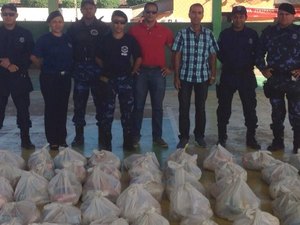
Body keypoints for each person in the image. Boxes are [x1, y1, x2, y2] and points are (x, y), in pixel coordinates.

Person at [173, 3, 218, 149]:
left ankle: (199, 136)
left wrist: (213, 74)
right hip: (185, 77)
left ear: (202, 15)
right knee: (183, 108)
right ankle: (184, 137)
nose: (196, 15)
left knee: (201, 108)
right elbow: (177, 54)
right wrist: (176, 76)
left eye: (199, 13)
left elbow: (213, 55)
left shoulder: (209, 34)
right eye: (193, 12)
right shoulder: (182, 33)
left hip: (202, 77)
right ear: (189, 14)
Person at [129, 2, 174, 148]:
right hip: (140, 73)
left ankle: (157, 137)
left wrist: (171, 68)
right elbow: (125, 49)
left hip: (158, 73)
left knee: (157, 107)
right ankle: (135, 137)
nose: (150, 14)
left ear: (157, 14)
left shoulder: (164, 31)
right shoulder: (134, 31)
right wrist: (131, 68)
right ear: (144, 12)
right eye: (148, 12)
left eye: (153, 12)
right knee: (138, 106)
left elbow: (175, 49)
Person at [256, 3, 300, 153]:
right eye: (281, 14)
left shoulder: (298, 32)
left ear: (293, 16)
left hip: (294, 80)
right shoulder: (269, 32)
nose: (283, 17)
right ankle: (277, 141)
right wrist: (263, 68)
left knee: (297, 114)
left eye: (287, 14)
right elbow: (258, 51)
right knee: (277, 113)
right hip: (275, 79)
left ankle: (297, 144)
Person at [95, 10, 141, 151]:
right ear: (111, 23)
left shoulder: (130, 40)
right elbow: (97, 57)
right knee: (107, 112)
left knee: (127, 112)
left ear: (125, 24)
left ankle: (128, 141)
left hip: (125, 80)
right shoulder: (104, 39)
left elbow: (138, 56)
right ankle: (106, 142)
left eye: (122, 22)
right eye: (116, 22)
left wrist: (133, 70)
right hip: (108, 81)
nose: (118, 25)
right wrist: (107, 69)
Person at [216, 6, 260, 149]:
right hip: (228, 75)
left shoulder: (252, 34)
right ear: (232, 18)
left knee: (250, 108)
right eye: (236, 16)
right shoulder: (225, 34)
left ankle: (251, 137)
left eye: (241, 16)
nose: (238, 19)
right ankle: (222, 137)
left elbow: (258, 54)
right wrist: (230, 64)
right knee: (223, 108)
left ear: (245, 18)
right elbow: (219, 53)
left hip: (246, 75)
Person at [67, 0, 109, 147]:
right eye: (85, 8)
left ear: (95, 9)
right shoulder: (74, 27)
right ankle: (79, 136)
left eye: (91, 8)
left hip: (97, 71)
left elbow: (109, 49)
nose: (88, 11)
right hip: (80, 70)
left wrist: (105, 68)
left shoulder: (103, 27)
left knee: (101, 104)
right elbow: (69, 48)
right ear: (81, 10)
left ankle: (102, 136)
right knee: (79, 104)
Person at [31, 11, 72, 150]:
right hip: (49, 78)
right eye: (54, 21)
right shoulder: (44, 39)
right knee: (51, 108)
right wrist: (43, 67)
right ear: (49, 23)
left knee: (62, 108)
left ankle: (62, 138)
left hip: (65, 78)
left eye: (60, 21)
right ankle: (53, 140)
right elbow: (34, 57)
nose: (57, 24)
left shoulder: (67, 39)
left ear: (63, 23)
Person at [0, 4, 35, 149]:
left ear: (16, 15)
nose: (8, 16)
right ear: (2, 15)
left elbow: (30, 55)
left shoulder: (25, 33)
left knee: (23, 110)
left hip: (19, 77)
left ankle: (25, 139)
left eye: (11, 14)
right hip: (1, 78)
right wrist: (5, 64)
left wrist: (16, 65)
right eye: (5, 14)